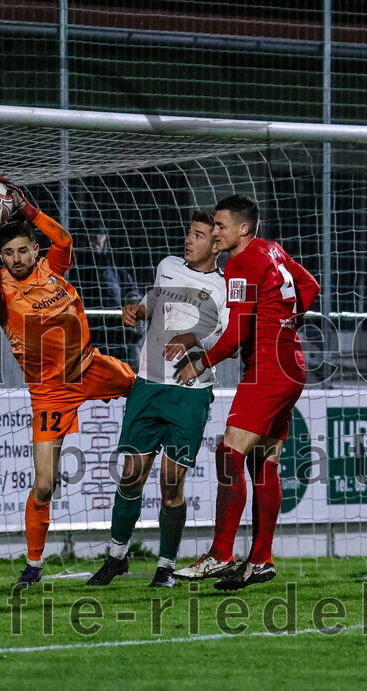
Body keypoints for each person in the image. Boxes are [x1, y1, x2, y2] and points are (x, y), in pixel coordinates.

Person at [0, 175, 136, 585]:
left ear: (33, 250)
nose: (17, 258)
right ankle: (34, 564)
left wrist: (26, 209)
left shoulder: (50, 268)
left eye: (22, 250)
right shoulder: (0, 291)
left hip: (90, 367)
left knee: (146, 390)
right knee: (44, 483)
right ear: (1, 257)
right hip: (49, 393)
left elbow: (64, 241)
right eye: (9, 254)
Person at [172, 194, 319, 591]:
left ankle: (220, 554)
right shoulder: (272, 250)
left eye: (220, 226)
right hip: (293, 363)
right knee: (262, 463)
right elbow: (309, 285)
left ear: (243, 229)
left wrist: (199, 362)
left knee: (227, 455)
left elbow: (236, 334)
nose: (214, 232)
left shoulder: (240, 262)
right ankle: (261, 559)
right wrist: (284, 323)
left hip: (269, 369)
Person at [86, 211, 227, 588]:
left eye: (197, 235)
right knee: (131, 474)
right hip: (147, 385)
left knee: (170, 483)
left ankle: (165, 567)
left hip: (189, 394)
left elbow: (226, 336)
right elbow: (156, 300)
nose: (188, 239)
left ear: (216, 244)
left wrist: (195, 348)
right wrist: (139, 309)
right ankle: (116, 557)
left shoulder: (223, 287)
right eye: (188, 232)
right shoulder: (167, 266)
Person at [72, 232, 143, 367]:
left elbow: (133, 292)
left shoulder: (115, 272)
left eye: (95, 237)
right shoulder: (71, 272)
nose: (92, 243)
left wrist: (133, 303)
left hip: (117, 333)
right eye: (85, 238)